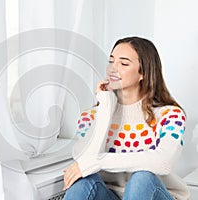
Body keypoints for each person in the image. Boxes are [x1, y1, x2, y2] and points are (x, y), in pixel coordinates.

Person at [63, 36, 190, 200]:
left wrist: (100, 162)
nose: (113, 69)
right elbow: (83, 160)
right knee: (83, 180)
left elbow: (162, 162)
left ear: (143, 73)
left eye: (123, 64)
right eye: (111, 61)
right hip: (110, 195)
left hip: (153, 194)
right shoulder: (92, 115)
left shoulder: (169, 115)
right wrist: (105, 108)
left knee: (141, 178)